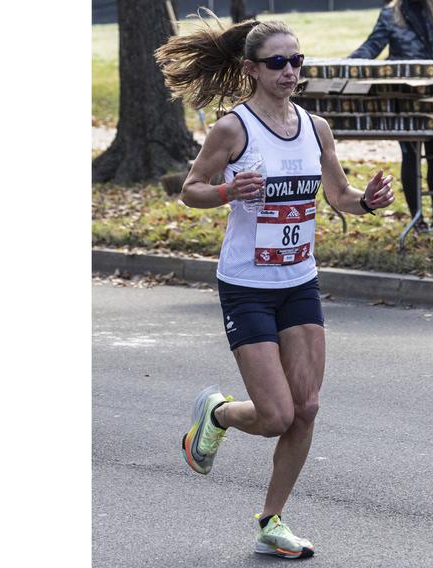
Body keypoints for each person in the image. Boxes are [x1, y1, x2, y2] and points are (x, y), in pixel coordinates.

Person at [155, 13, 394, 560]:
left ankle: (271, 521)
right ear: (253, 69)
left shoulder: (316, 128)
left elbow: (338, 194)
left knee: (306, 407)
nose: (290, 72)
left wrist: (366, 202)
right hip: (246, 285)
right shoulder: (233, 129)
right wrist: (228, 191)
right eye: (278, 63)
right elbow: (191, 189)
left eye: (297, 61)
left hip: (299, 281)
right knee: (276, 416)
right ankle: (215, 415)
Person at [350, 0, 433, 231]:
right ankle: (417, 219)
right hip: (405, 100)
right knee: (409, 156)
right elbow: (371, 47)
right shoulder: (390, 13)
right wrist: (345, 65)